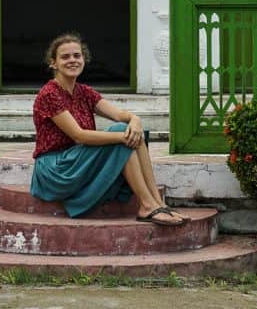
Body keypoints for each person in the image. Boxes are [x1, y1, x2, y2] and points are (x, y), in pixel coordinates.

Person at [30, 33, 188, 226]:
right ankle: (147, 205)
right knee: (122, 136)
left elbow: (120, 115)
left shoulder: (84, 92)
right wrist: (122, 135)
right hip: (56, 168)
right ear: (53, 63)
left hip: (77, 160)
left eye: (77, 56)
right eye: (65, 57)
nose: (73, 60)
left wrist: (135, 119)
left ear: (84, 59)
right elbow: (79, 136)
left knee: (129, 131)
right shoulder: (49, 94)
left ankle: (158, 203)